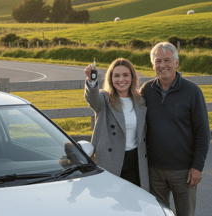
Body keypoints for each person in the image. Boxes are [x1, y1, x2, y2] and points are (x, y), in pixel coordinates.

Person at [140, 42, 210, 216]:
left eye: (167, 60)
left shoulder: (192, 91)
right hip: (154, 171)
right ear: (153, 65)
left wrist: (197, 167)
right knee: (157, 214)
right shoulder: (146, 90)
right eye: (157, 61)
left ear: (176, 63)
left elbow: (203, 132)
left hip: (184, 172)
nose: (162, 65)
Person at [84, 58, 149, 191]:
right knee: (111, 200)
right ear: (110, 78)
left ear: (132, 77)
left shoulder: (140, 101)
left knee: (134, 201)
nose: (121, 79)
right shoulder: (104, 99)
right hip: (110, 160)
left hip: (135, 160)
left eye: (126, 75)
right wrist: (92, 82)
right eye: (117, 75)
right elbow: (93, 99)